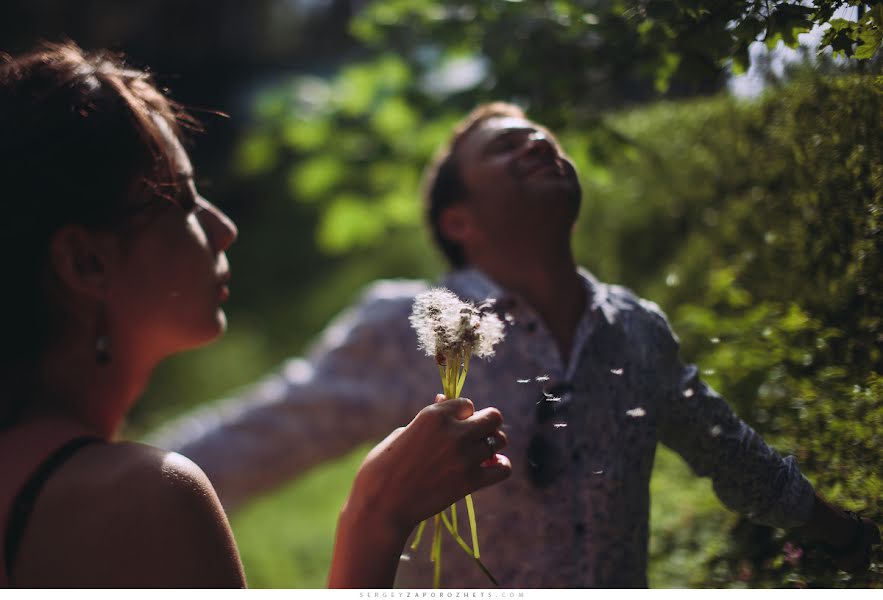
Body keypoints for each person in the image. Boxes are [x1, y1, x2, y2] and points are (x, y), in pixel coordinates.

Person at [152, 101, 881, 588]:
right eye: (506, 146)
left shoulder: (637, 329)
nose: (537, 139)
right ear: (459, 220)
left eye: (544, 138)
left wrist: (845, 535)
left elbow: (733, 456)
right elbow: (261, 434)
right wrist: (102, 487)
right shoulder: (415, 322)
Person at [0, 42, 511, 589]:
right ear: (87, 262)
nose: (224, 228)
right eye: (182, 201)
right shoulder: (144, 499)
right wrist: (377, 516)